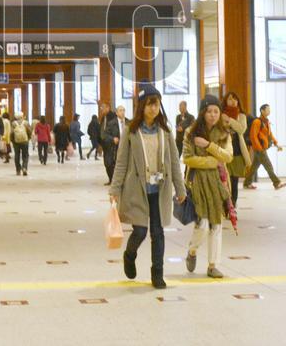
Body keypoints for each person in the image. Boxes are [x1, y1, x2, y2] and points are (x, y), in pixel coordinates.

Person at [110, 85, 186, 289]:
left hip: (159, 190)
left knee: (158, 232)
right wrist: (114, 190)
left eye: (157, 104)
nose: (154, 108)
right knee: (141, 231)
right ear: (142, 106)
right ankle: (130, 255)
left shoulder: (165, 131)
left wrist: (180, 189)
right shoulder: (130, 131)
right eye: (150, 104)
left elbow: (174, 163)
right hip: (138, 190)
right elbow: (121, 163)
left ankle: (157, 274)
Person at [184, 94, 234, 279]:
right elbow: (187, 158)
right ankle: (192, 250)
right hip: (197, 183)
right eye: (209, 111)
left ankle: (213, 265)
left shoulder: (224, 134)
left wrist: (209, 145)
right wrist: (212, 162)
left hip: (217, 183)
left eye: (216, 111)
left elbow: (228, 157)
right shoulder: (191, 132)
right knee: (203, 224)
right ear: (202, 113)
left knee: (216, 225)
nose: (213, 115)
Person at [243, 104, 286, 190]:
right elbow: (253, 136)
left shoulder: (266, 122)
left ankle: (247, 183)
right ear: (262, 111)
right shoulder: (257, 122)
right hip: (259, 149)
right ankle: (276, 183)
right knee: (268, 166)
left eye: (269, 110)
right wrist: (259, 148)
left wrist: (276, 144)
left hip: (262, 148)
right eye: (267, 110)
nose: (269, 111)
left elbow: (270, 135)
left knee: (254, 167)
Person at [222, 92, 252, 207]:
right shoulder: (220, 114)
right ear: (225, 101)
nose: (233, 101)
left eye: (235, 99)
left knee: (234, 181)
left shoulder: (242, 116)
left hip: (238, 152)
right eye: (230, 99)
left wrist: (229, 120)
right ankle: (225, 204)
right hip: (224, 152)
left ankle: (232, 205)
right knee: (225, 180)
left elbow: (241, 129)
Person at [99, 102, 121, 185]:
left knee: (111, 163)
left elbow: (116, 130)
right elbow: (102, 131)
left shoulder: (113, 117)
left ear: (108, 108)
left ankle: (113, 180)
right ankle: (111, 179)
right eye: (101, 109)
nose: (101, 110)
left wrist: (113, 139)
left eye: (103, 108)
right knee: (107, 163)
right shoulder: (103, 118)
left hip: (112, 144)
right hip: (105, 144)